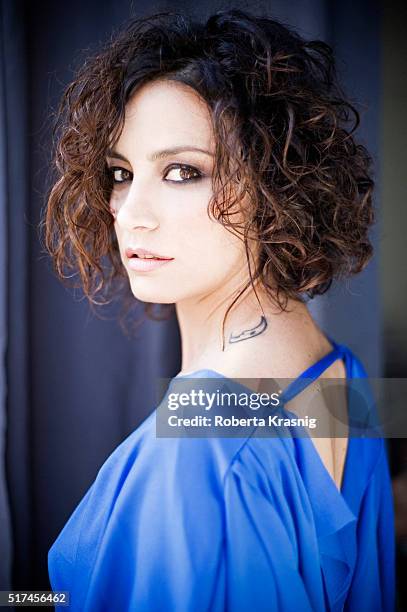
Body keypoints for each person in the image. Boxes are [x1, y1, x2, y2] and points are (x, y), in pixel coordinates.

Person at [42, 9, 395, 611]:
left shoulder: (198, 452)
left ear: (277, 179)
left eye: (183, 171)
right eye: (121, 173)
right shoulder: (333, 372)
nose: (130, 211)